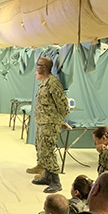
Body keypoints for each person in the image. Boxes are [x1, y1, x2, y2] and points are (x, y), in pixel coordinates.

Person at [28, 56, 70, 193]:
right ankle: (47, 177)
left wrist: (58, 121)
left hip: (49, 124)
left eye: (39, 65)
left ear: (45, 67)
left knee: (48, 152)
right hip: (42, 123)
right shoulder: (43, 82)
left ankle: (56, 182)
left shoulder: (53, 83)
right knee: (41, 150)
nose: (37, 67)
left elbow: (63, 105)